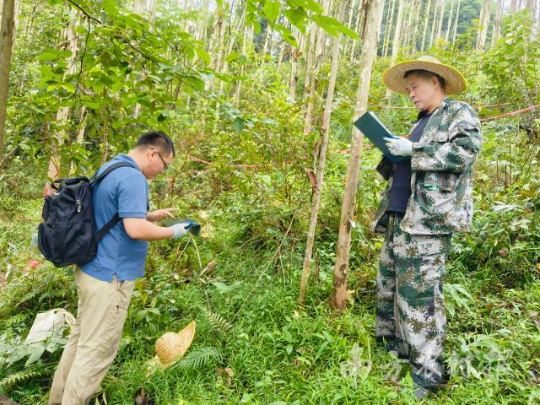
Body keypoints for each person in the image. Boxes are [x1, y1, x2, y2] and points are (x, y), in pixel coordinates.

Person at [48, 131, 190, 405]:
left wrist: (150, 215)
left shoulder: (113, 166)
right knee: (96, 352)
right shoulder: (134, 177)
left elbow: (111, 212)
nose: (163, 171)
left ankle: (57, 401)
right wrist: (173, 232)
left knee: (79, 343)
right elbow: (134, 229)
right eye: (166, 164)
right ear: (153, 153)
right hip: (110, 279)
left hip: (91, 270)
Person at [372, 56, 483, 399]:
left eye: (415, 87)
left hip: (427, 225)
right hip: (400, 218)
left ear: (435, 81)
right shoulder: (421, 122)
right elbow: (408, 168)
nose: (411, 94)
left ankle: (429, 373)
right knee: (389, 288)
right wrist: (393, 152)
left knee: (420, 298)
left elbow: (466, 151)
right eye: (408, 90)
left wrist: (414, 149)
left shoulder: (456, 113)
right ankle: (394, 352)